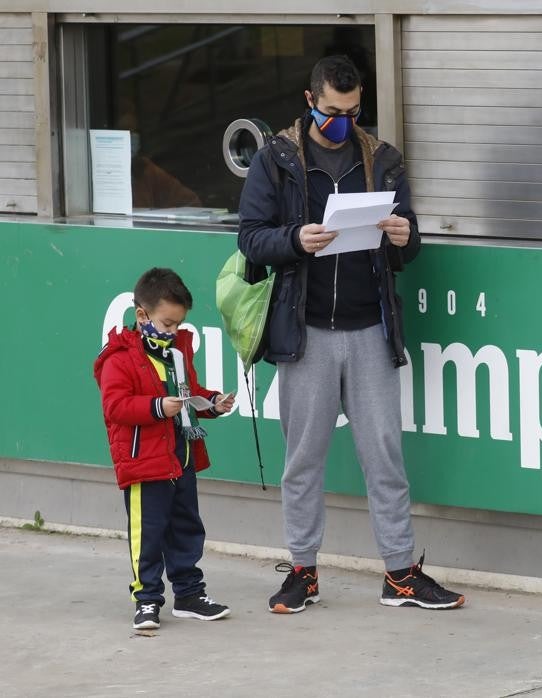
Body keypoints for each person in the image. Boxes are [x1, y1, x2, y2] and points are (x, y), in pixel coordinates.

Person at [238, 55, 464, 613]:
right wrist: (296, 240)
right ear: (310, 101)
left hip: (369, 328)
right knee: (303, 460)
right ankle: (302, 571)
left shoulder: (382, 159)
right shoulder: (277, 159)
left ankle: (400, 574)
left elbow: (408, 247)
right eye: (334, 112)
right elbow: (250, 238)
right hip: (306, 330)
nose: (343, 121)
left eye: (354, 111)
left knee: (385, 457)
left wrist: (404, 235)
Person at [94, 267, 236, 630]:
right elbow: (115, 406)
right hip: (145, 463)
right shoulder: (119, 357)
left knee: (187, 527)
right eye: (167, 323)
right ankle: (146, 600)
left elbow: (189, 394)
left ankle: (189, 594)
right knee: (147, 534)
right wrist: (157, 407)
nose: (173, 331)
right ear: (142, 315)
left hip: (181, 457)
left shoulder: (178, 353)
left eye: (178, 324)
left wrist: (213, 403)